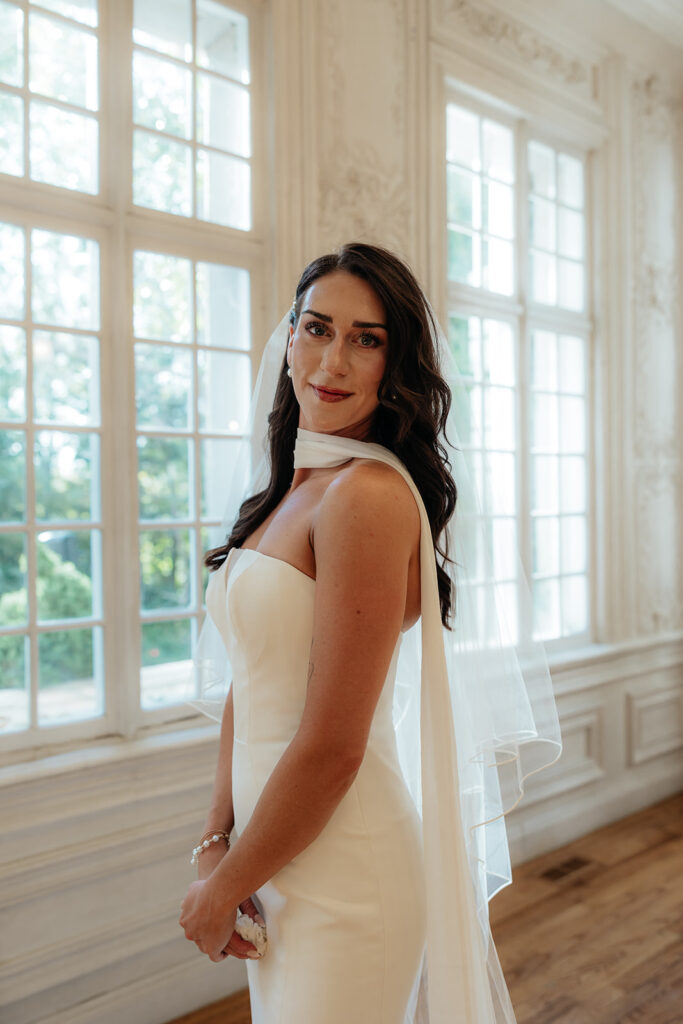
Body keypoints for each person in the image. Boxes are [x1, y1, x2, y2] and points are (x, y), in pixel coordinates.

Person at [179, 242, 562, 1022]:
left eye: (367, 338)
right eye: (317, 328)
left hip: (345, 869)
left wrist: (218, 889)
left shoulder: (367, 497)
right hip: (272, 851)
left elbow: (333, 746)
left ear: (396, 364)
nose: (333, 359)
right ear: (287, 337)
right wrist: (217, 842)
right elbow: (247, 688)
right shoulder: (292, 487)